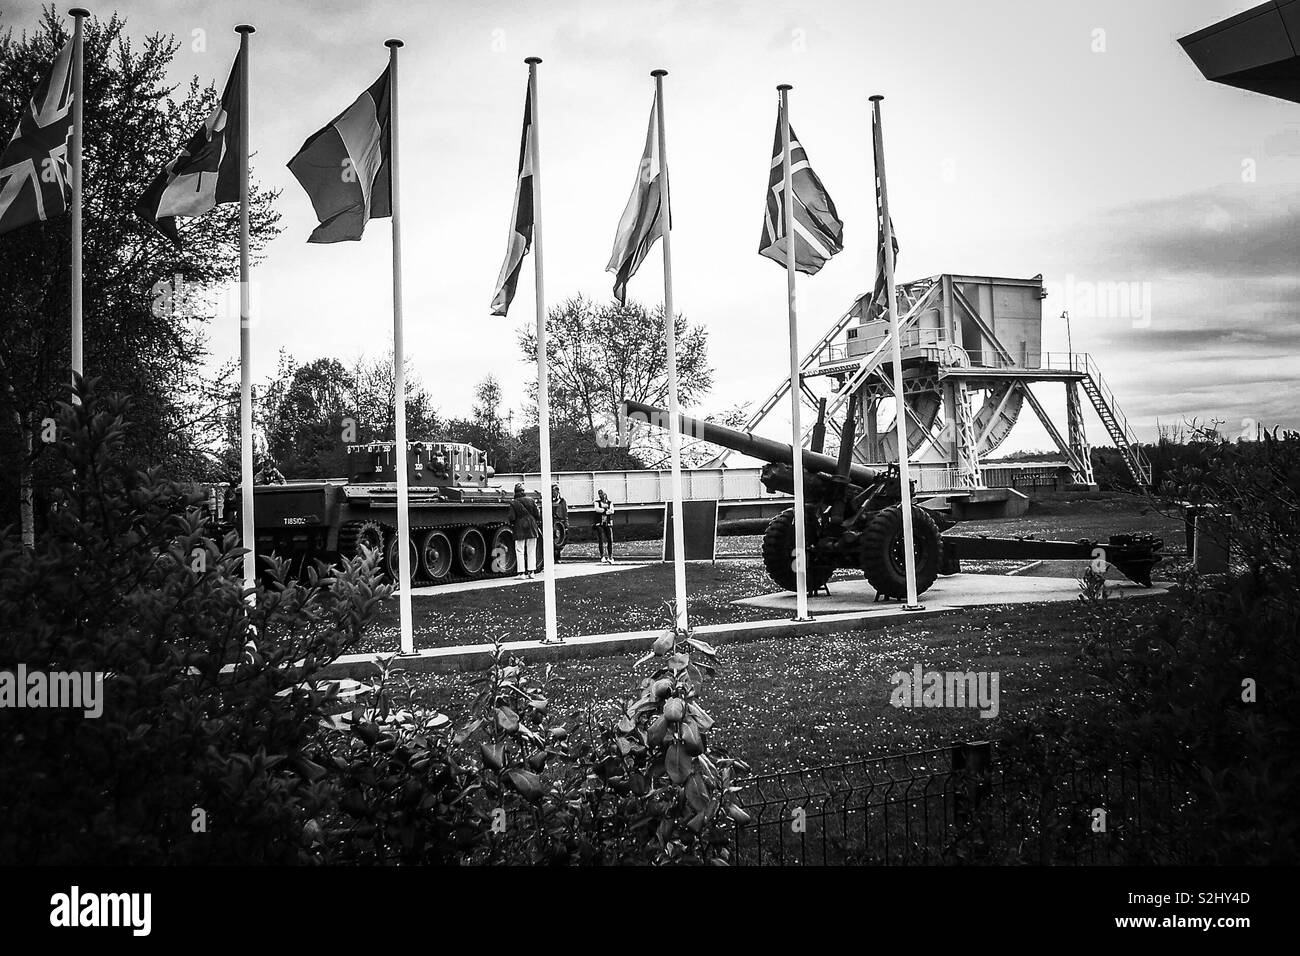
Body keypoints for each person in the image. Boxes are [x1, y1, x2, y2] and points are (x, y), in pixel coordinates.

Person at [509, 482, 541, 580]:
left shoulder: (513, 503)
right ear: (524, 491)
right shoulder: (531, 500)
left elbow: (512, 517)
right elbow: (537, 514)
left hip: (520, 528)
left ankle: (521, 573)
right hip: (532, 527)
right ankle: (531, 572)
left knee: (520, 550)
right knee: (531, 550)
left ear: (515, 492)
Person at [593, 489, 615, 564]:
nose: (601, 495)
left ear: (605, 494)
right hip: (600, 523)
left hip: (608, 523)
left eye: (602, 494)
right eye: (600, 494)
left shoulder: (610, 502)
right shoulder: (597, 502)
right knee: (601, 539)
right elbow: (597, 509)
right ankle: (602, 556)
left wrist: (604, 510)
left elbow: (612, 511)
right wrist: (606, 511)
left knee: (610, 540)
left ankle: (610, 556)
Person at [551, 483, 569, 558]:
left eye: (555, 490)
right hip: (553, 521)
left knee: (560, 538)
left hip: (560, 521)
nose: (554, 492)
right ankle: (553, 556)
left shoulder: (562, 500)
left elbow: (565, 512)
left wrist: (566, 523)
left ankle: (558, 556)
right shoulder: (549, 500)